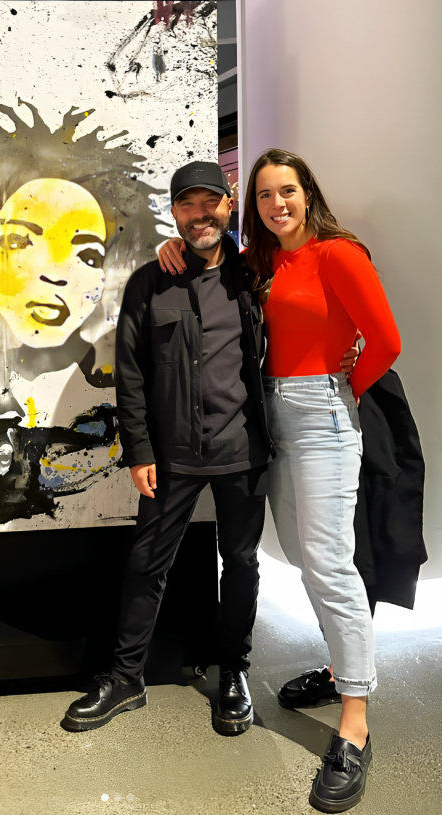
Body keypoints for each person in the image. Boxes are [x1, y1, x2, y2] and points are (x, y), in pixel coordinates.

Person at [61, 161, 358, 740]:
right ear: (174, 213)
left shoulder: (256, 274)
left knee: (241, 563)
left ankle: (234, 671)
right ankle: (126, 677)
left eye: (210, 202)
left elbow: (311, 310)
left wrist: (353, 348)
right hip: (170, 454)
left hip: (243, 449)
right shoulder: (150, 282)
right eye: (187, 205)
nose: (200, 215)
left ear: (228, 205)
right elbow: (131, 374)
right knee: (148, 562)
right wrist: (139, 449)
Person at [158, 149, 399, 813]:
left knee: (328, 561)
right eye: (264, 195)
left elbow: (384, 341)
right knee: (297, 552)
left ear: (306, 193)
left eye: (286, 191)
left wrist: (337, 392)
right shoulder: (263, 261)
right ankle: (338, 668)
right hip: (268, 412)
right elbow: (209, 256)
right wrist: (167, 246)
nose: (276, 204)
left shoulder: (338, 253)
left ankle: (355, 720)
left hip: (320, 414)